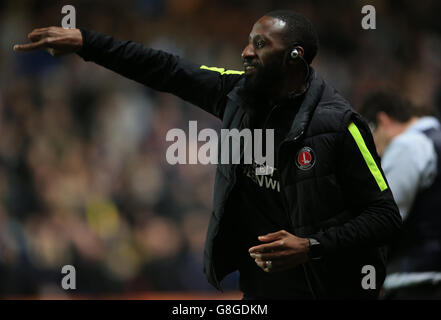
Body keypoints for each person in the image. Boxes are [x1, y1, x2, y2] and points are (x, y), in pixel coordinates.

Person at [14, 10, 402, 299]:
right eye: (250, 40)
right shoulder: (234, 94)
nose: (246, 51)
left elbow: (385, 216)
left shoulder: (340, 124)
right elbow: (166, 68)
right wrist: (88, 43)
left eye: (262, 44)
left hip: (327, 289)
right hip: (262, 288)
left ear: (295, 56)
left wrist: (312, 246)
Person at [359, 92, 441, 299]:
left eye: (370, 136)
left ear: (382, 120)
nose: (374, 151)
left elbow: (385, 217)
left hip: (416, 281)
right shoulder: (434, 140)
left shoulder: (408, 145)